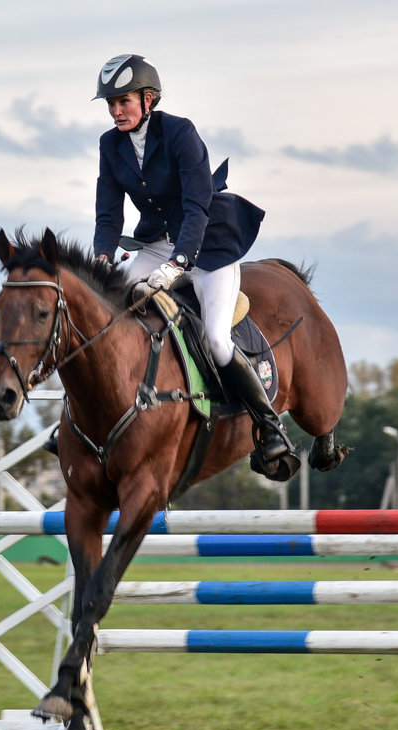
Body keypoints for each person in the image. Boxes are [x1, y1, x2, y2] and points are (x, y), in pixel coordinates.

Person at [92, 53, 294, 471]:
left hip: (206, 249)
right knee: (103, 316)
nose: (115, 111)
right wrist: (101, 260)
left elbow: (196, 208)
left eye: (123, 101)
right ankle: (85, 420)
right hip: (153, 246)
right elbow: (109, 214)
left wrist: (179, 263)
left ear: (148, 99)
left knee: (217, 339)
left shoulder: (181, 134)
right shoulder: (110, 145)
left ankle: (269, 426)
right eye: (110, 104)